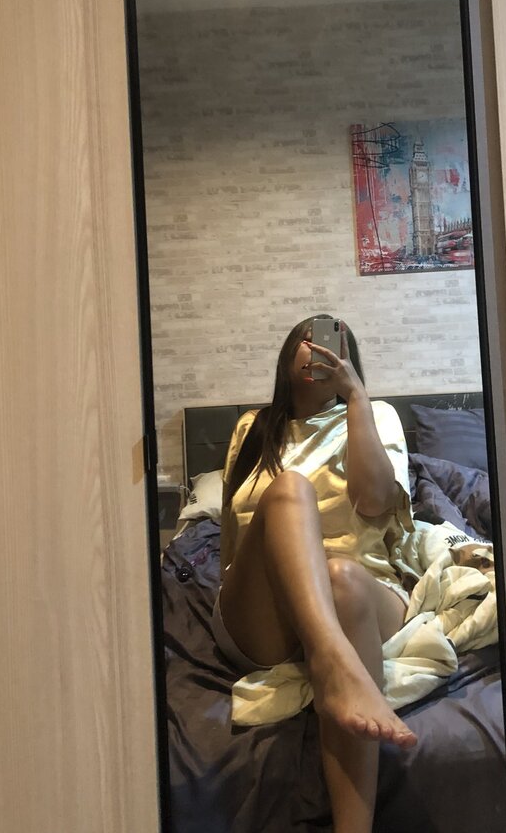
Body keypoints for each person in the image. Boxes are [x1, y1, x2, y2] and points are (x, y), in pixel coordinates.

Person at [214, 314, 417, 833]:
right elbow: (233, 542)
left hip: (362, 592)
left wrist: (357, 399)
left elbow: (374, 500)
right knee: (289, 489)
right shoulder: (252, 427)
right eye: (307, 339)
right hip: (270, 612)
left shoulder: (375, 414)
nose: (318, 348)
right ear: (287, 356)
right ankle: (337, 662)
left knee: (342, 578)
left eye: (332, 341)